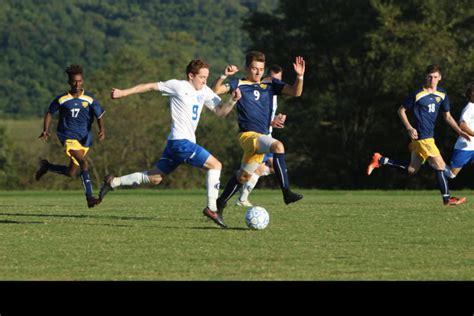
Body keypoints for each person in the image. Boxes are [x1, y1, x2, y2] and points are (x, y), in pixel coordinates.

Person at [98, 59, 240, 228]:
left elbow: (220, 112)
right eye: (202, 77)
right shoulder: (178, 86)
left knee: (155, 178)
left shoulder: (205, 91)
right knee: (215, 165)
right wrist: (123, 93)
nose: (205, 81)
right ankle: (212, 208)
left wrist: (232, 100)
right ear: (191, 75)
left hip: (176, 144)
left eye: (206, 77)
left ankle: (113, 182)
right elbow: (149, 86)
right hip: (180, 142)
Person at [212, 51, 305, 218]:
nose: (258, 72)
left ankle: (220, 203)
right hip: (248, 136)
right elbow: (215, 91)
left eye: (261, 69)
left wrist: (299, 77)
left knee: (243, 176)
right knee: (278, 146)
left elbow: (295, 92)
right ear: (248, 68)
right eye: (254, 68)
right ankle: (286, 192)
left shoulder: (269, 84)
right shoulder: (238, 83)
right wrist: (223, 75)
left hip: (260, 138)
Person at [367, 65, 469, 206]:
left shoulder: (443, 95)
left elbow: (448, 117)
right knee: (440, 166)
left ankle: (381, 160)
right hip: (422, 137)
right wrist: (409, 127)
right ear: (425, 77)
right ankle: (447, 199)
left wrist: (459, 131)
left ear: (440, 77)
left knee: (412, 169)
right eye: (429, 76)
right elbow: (401, 110)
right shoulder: (417, 94)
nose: (432, 79)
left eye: (435, 77)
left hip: (428, 136)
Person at [35, 64, 106, 208]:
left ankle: (47, 166)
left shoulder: (89, 98)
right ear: (69, 82)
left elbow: (99, 115)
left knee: (71, 173)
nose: (77, 84)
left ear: (83, 81)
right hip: (68, 138)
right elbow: (49, 112)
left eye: (79, 81)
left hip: (85, 139)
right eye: (74, 81)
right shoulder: (62, 99)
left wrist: (102, 129)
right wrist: (45, 130)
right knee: (84, 163)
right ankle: (90, 198)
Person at [235, 64, 287, 207]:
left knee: (262, 169)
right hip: (258, 136)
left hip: (267, 135)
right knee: (265, 167)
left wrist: (275, 120)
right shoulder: (262, 90)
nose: (277, 82)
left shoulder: (274, 94)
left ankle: (241, 195)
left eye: (280, 79)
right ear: (266, 78)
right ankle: (241, 198)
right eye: (274, 79)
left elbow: (265, 116)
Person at [443, 82, 474, 179]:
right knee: (452, 175)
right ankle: (434, 162)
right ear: (470, 93)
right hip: (465, 146)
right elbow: (462, 125)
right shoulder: (470, 107)